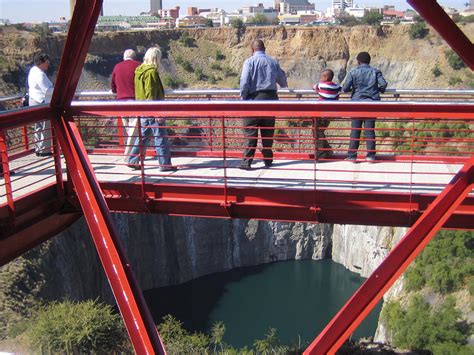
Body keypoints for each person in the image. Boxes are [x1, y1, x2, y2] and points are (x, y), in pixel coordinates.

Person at [239, 39, 288, 170]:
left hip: (253, 99)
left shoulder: (249, 62)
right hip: (271, 100)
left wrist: (243, 97)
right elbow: (282, 82)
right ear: (264, 48)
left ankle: (247, 162)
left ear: (252, 49)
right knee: (267, 132)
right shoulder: (272, 61)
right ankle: (267, 159)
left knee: (251, 132)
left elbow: (244, 82)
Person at [127, 47, 177, 172]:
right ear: (156, 58)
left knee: (144, 136)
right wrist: (156, 112)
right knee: (160, 136)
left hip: (143, 108)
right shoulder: (151, 72)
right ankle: (165, 164)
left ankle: (132, 160)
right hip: (152, 109)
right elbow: (150, 93)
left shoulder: (139, 71)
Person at [342, 51, 387, 162]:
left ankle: (352, 156)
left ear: (358, 61)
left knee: (355, 130)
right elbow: (384, 84)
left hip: (357, 104)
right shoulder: (375, 72)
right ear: (369, 61)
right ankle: (370, 156)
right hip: (372, 104)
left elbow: (345, 88)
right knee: (369, 130)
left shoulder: (353, 72)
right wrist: (379, 90)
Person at [111, 49, 141, 158]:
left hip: (121, 102)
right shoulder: (139, 66)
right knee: (133, 129)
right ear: (134, 57)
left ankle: (132, 153)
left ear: (124, 57)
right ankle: (129, 155)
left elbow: (113, 87)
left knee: (129, 129)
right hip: (134, 101)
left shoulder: (117, 67)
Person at [28, 53, 54, 156]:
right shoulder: (40, 74)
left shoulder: (33, 70)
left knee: (38, 126)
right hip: (41, 101)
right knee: (45, 126)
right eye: (47, 62)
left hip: (33, 100)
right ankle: (45, 150)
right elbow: (47, 89)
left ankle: (38, 149)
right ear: (41, 63)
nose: (48, 64)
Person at [312, 69, 341, 159]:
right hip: (331, 114)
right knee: (319, 131)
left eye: (321, 77)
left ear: (326, 77)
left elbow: (314, 87)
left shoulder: (320, 85)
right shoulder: (337, 87)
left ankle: (321, 153)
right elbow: (341, 90)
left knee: (317, 131)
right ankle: (327, 150)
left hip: (321, 113)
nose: (320, 79)